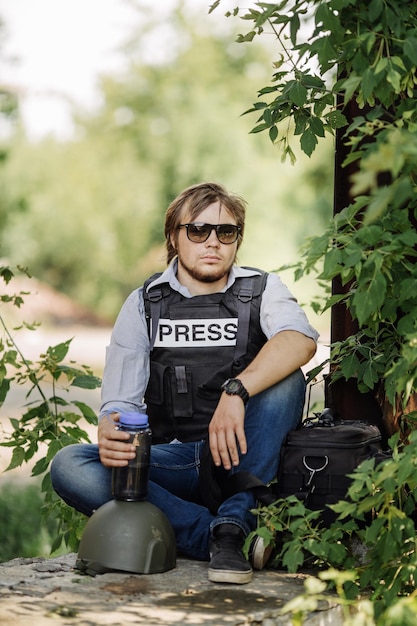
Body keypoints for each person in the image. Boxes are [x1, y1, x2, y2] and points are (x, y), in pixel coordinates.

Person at [51, 182, 319, 584]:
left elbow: (300, 341)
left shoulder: (262, 289)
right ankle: (219, 534)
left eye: (225, 232)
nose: (212, 241)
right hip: (172, 459)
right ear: (174, 237)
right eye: (197, 230)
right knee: (72, 464)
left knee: (286, 379)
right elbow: (121, 404)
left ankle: (234, 516)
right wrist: (110, 428)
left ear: (236, 240)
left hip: (239, 459)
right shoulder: (145, 301)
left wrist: (236, 391)